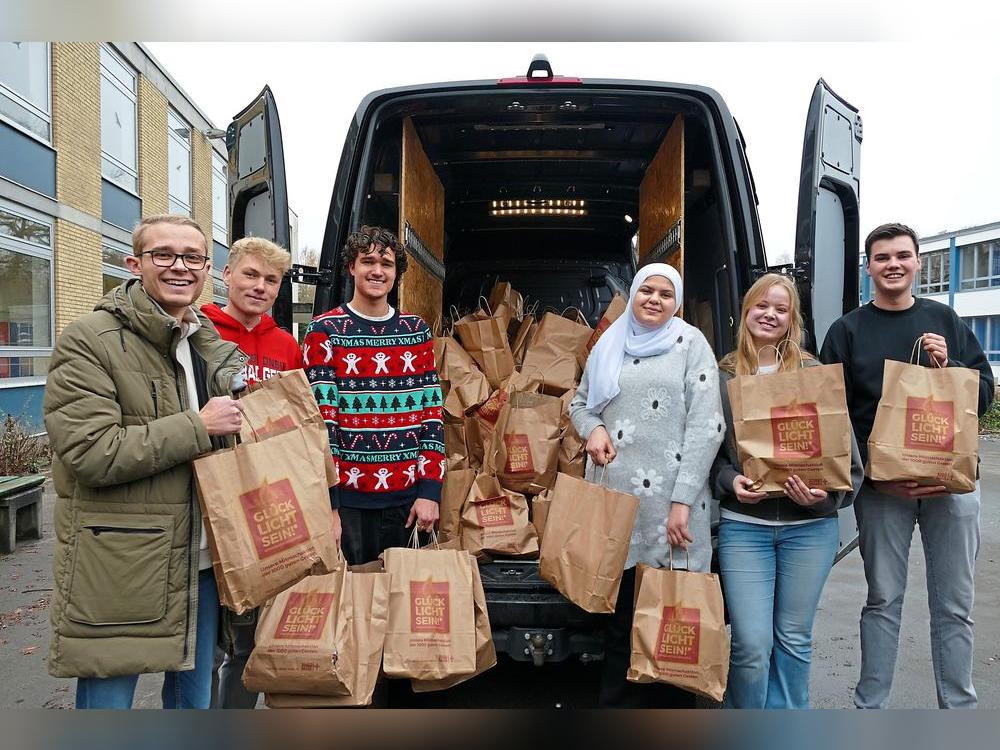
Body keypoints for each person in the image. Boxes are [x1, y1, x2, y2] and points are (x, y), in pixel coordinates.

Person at [43, 215, 247, 709]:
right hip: (121, 565)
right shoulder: (89, 339)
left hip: (198, 558)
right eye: (164, 255)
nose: (180, 267)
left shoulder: (206, 346)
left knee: (192, 707)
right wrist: (200, 426)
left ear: (208, 271)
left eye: (192, 257)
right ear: (134, 264)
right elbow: (91, 452)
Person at [820, 222, 994, 709]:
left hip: (951, 489)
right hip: (883, 493)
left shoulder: (946, 320)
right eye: (882, 257)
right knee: (882, 601)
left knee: (955, 608)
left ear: (918, 262)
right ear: (869, 267)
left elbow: (981, 397)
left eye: (902, 255)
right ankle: (869, 708)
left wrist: (951, 367)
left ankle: (958, 712)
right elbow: (833, 414)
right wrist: (876, 476)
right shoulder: (847, 330)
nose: (892, 264)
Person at [569, 262, 724, 708]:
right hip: (616, 505)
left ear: (676, 302)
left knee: (673, 619)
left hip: (672, 508)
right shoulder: (609, 344)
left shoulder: (690, 344)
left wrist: (682, 501)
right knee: (620, 626)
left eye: (665, 293)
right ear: (633, 294)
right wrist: (592, 429)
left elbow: (707, 425)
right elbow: (580, 405)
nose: (654, 300)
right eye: (646, 291)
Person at [711, 273, 862, 709]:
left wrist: (826, 497)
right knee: (752, 647)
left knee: (794, 640)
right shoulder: (721, 375)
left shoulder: (815, 375)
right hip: (745, 527)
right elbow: (706, 453)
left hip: (809, 529)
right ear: (746, 311)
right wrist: (729, 481)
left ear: (792, 319)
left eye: (781, 308)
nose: (770, 314)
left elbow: (849, 464)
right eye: (762, 305)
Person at [201, 236, 309, 709]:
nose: (260, 286)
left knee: (248, 638)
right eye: (250, 274)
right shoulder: (198, 330)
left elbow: (302, 424)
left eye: (271, 280)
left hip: (264, 502)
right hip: (207, 499)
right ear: (226, 275)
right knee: (203, 645)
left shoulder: (285, 345)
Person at [303, 226, 444, 567]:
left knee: (402, 607)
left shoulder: (415, 330)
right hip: (349, 505)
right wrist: (331, 506)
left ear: (396, 272)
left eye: (387, 263)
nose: (377, 271)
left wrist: (429, 493)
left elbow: (432, 415)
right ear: (351, 267)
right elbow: (322, 425)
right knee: (353, 609)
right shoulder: (324, 331)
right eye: (367, 261)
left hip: (408, 503)